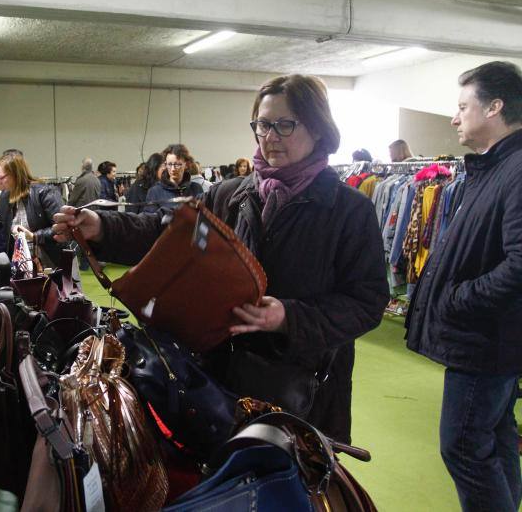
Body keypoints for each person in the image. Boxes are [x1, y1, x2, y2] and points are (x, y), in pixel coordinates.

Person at [53, 74, 388, 443]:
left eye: (285, 124)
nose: (270, 136)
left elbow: (367, 301)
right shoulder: (230, 195)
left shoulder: (349, 210)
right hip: (220, 383)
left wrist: (288, 317)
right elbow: (163, 234)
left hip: (304, 393)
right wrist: (101, 226)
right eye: (262, 124)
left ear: (319, 127)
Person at [405, 61, 522, 512]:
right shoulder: (493, 168)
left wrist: (458, 300)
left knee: (463, 447)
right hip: (489, 339)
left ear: (494, 107)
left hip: (486, 340)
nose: (454, 118)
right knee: (493, 437)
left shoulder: (514, 170)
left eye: (461, 107)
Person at [143, 144, 203, 212]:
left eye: (177, 164)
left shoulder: (196, 189)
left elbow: (202, 216)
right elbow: (151, 220)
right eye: (169, 164)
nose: (173, 169)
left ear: (186, 164)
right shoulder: (155, 192)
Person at [68, 158, 101, 270]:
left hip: (82, 213)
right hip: (95, 212)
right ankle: (93, 263)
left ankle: (83, 264)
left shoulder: (81, 180)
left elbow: (73, 199)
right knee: (91, 240)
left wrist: (67, 208)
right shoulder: (97, 180)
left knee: (80, 239)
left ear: (83, 167)